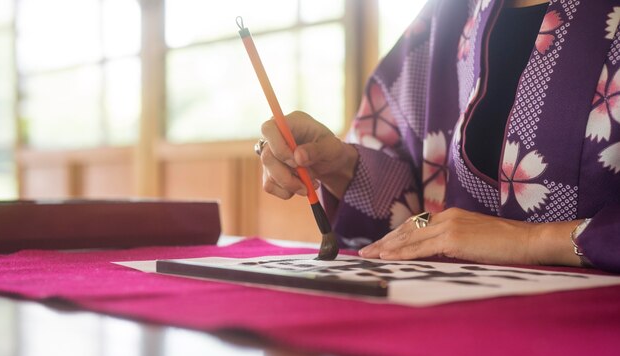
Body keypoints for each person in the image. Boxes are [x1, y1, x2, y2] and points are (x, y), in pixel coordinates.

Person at [257, 0, 620, 272]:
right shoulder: (448, 16)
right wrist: (338, 166)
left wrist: (530, 241)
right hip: (450, 316)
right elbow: (412, 198)